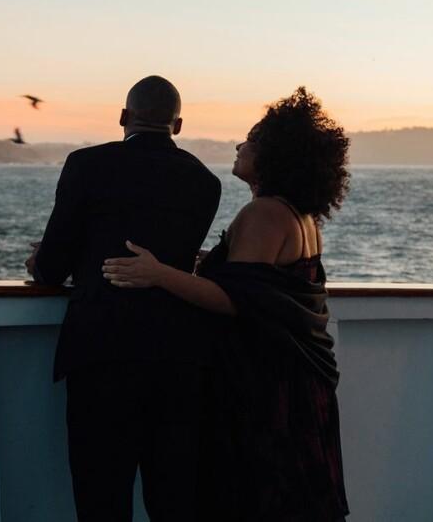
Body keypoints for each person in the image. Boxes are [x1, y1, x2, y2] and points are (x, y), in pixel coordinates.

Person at [103, 87, 350, 521]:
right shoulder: (300, 216)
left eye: (250, 140)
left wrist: (158, 273)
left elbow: (236, 300)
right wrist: (204, 263)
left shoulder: (263, 214)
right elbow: (262, 282)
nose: (239, 146)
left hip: (268, 390)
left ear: (275, 155)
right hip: (300, 385)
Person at [26, 75, 222, 522]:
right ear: (178, 125)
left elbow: (53, 267)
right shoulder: (204, 182)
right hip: (178, 360)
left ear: (122, 117)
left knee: (101, 500)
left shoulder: (85, 165)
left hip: (101, 355)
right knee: (172, 501)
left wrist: (44, 261)